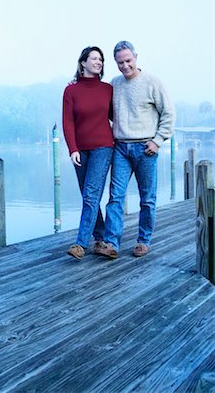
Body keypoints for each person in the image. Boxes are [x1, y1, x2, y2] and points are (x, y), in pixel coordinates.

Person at [99, 40, 175, 259]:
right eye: (120, 62)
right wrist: (76, 81)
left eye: (128, 60)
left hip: (146, 148)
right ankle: (111, 243)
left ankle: (143, 240)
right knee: (115, 197)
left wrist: (158, 140)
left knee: (147, 198)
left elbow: (168, 113)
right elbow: (99, 103)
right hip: (121, 148)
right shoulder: (114, 84)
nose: (125, 66)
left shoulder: (152, 82)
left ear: (136, 57)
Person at [62, 46, 115, 260]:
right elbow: (68, 122)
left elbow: (117, 117)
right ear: (83, 62)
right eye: (94, 58)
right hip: (80, 150)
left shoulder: (108, 89)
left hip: (103, 146)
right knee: (88, 196)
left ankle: (80, 244)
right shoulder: (71, 91)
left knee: (91, 194)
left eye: (101, 59)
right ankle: (100, 240)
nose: (98, 61)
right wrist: (72, 148)